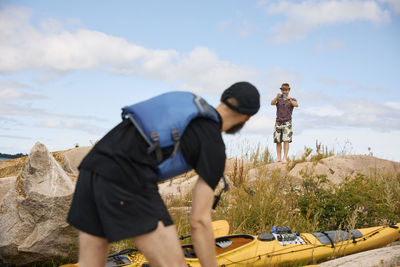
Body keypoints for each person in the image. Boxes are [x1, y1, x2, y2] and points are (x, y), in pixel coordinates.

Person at [67, 81, 260, 267]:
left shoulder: (189, 106)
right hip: (128, 178)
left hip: (92, 167)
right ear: (248, 117)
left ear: (222, 98)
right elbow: (199, 221)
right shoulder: (213, 145)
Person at [270, 83, 298, 163]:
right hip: (278, 121)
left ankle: (285, 158)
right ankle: (279, 158)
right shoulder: (278, 99)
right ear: (281, 90)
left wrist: (290, 100)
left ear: (289, 90)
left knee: (286, 140)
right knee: (278, 141)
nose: (284, 91)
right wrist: (276, 97)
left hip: (287, 122)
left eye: (286, 90)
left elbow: (296, 105)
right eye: (283, 90)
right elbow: (272, 103)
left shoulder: (292, 99)